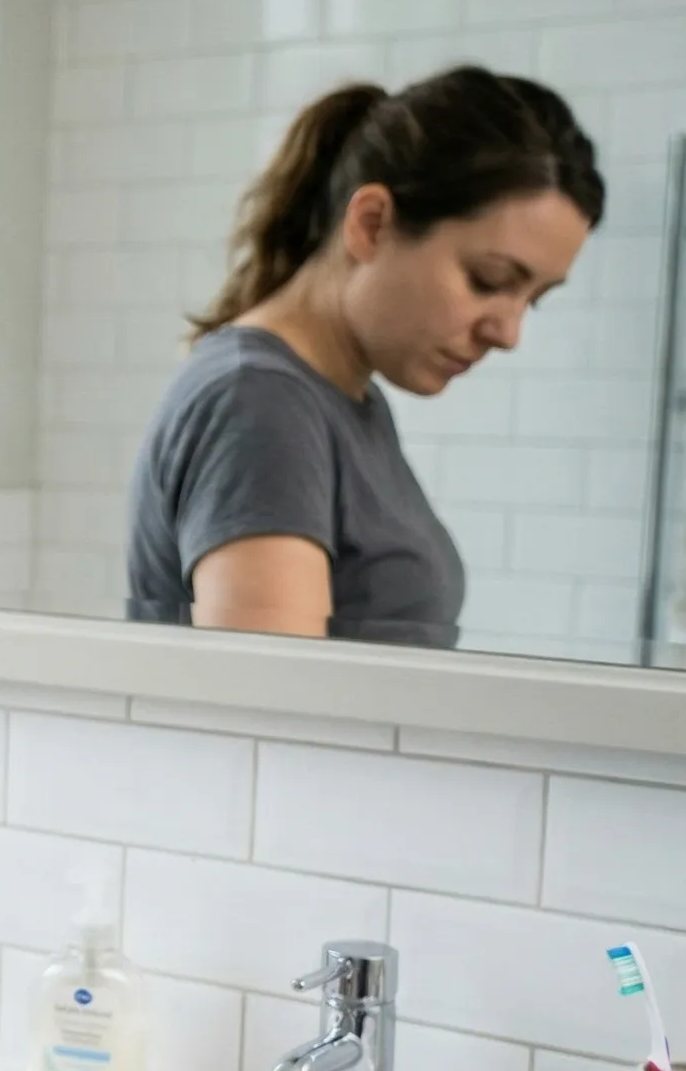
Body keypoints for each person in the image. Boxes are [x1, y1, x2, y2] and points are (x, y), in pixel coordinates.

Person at [125, 66, 602, 646]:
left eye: (535, 299)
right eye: (489, 279)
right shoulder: (258, 403)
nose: (508, 333)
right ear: (371, 223)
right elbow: (269, 709)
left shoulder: (346, 401)